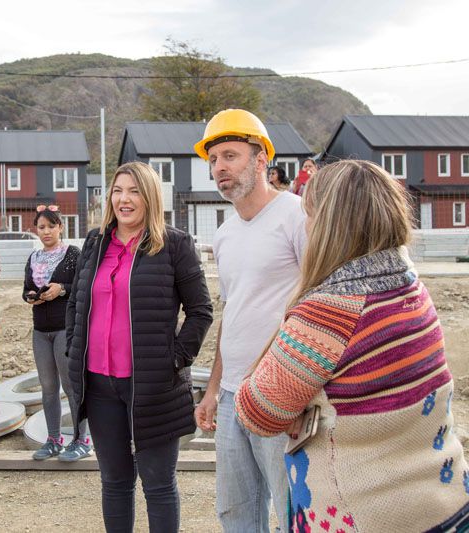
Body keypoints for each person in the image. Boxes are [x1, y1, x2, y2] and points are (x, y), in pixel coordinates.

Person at [235, 159, 469, 531]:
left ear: (329, 224)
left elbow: (257, 411)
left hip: (366, 515)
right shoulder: (410, 287)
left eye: (309, 214)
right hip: (446, 502)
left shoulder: (329, 314)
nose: (305, 225)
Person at [66, 161, 213, 532]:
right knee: (114, 483)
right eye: (117, 190)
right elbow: (75, 303)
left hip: (153, 386)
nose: (124, 199)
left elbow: (200, 311)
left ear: (149, 197)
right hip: (99, 385)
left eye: (133, 191)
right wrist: (73, 346)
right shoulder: (95, 243)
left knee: (158, 485)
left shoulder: (175, 245)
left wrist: (173, 359)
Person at [193, 108, 306, 532]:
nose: (219, 168)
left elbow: (316, 305)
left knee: (292, 507)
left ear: (261, 160)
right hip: (231, 397)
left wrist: (302, 392)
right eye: (214, 160)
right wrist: (211, 390)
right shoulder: (225, 235)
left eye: (230, 155)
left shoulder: (296, 215)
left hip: (283, 392)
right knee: (236, 513)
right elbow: (233, 314)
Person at [23, 204, 91, 461]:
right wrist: (31, 296)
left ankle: (81, 439)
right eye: (41, 227)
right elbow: (25, 287)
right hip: (40, 330)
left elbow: (84, 284)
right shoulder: (34, 258)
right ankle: (53, 439)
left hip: (65, 327)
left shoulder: (73, 254)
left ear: (60, 227)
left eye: (51, 226)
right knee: (48, 386)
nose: (46, 231)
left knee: (71, 385)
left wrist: (61, 288)